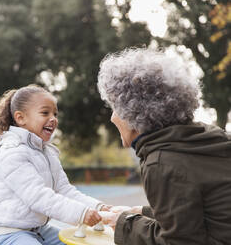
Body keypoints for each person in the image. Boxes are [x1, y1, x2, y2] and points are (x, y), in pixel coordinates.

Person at [97, 48, 231, 244]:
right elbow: (200, 211)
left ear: (134, 112)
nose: (112, 117)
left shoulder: (161, 162)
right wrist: (140, 213)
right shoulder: (206, 139)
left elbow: (180, 241)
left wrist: (123, 224)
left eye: (115, 107)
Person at [0, 85, 110, 245]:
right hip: (7, 233)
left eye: (55, 113)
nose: (53, 118)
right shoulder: (11, 152)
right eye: (45, 113)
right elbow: (38, 196)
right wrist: (81, 213)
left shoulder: (46, 152)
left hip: (37, 229)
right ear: (20, 118)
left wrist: (98, 207)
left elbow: (65, 190)